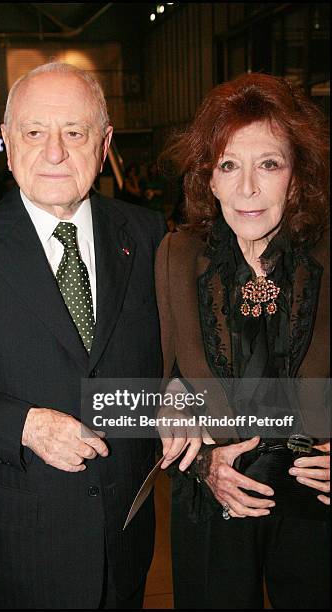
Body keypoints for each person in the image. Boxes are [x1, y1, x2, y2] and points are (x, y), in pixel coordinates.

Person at [0, 62, 166, 609]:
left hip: (124, 544)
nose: (54, 152)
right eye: (34, 133)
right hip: (16, 550)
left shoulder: (149, 236)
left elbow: (171, 363)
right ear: (7, 144)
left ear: (103, 145)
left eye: (74, 133)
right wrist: (24, 425)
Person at [155, 73, 330, 609]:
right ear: (209, 179)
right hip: (214, 493)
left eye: (269, 165)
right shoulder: (177, 257)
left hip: (317, 500)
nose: (247, 189)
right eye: (229, 165)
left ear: (296, 179)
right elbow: (161, 385)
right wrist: (198, 450)